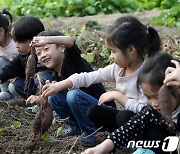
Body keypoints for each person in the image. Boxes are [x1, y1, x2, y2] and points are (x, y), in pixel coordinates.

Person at [40, 16, 160, 146]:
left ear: (131, 50)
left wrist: (117, 95)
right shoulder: (117, 69)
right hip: (128, 122)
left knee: (123, 116)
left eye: (113, 51)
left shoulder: (147, 74)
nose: (111, 56)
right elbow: (87, 77)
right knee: (94, 111)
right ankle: (119, 137)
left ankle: (134, 142)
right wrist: (59, 85)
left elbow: (145, 111)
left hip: (145, 124)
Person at [26, 30, 115, 145]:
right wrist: (40, 98)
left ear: (62, 48)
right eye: (38, 53)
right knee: (54, 97)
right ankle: (76, 127)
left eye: (46, 49)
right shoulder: (56, 75)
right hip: (87, 112)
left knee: (73, 95)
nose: (43, 55)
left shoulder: (73, 61)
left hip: (102, 110)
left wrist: (47, 39)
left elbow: (70, 41)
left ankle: (91, 133)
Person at [82, 53, 180, 154]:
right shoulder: (152, 111)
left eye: (158, 96)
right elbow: (130, 127)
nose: (154, 103)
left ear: (176, 88)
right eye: (148, 97)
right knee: (152, 133)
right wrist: (100, 148)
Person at [0, 16, 48, 104]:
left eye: (19, 42)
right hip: (34, 85)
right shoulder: (23, 55)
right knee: (18, 84)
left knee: (41, 77)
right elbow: (10, 69)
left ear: (33, 40)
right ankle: (34, 101)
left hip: (50, 86)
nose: (16, 46)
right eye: (15, 42)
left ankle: (44, 101)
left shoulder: (45, 55)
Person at [0, 10, 18, 104]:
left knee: (14, 88)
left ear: (1, 31)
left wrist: (18, 75)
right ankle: (6, 92)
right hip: (9, 72)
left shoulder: (16, 42)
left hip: (25, 74)